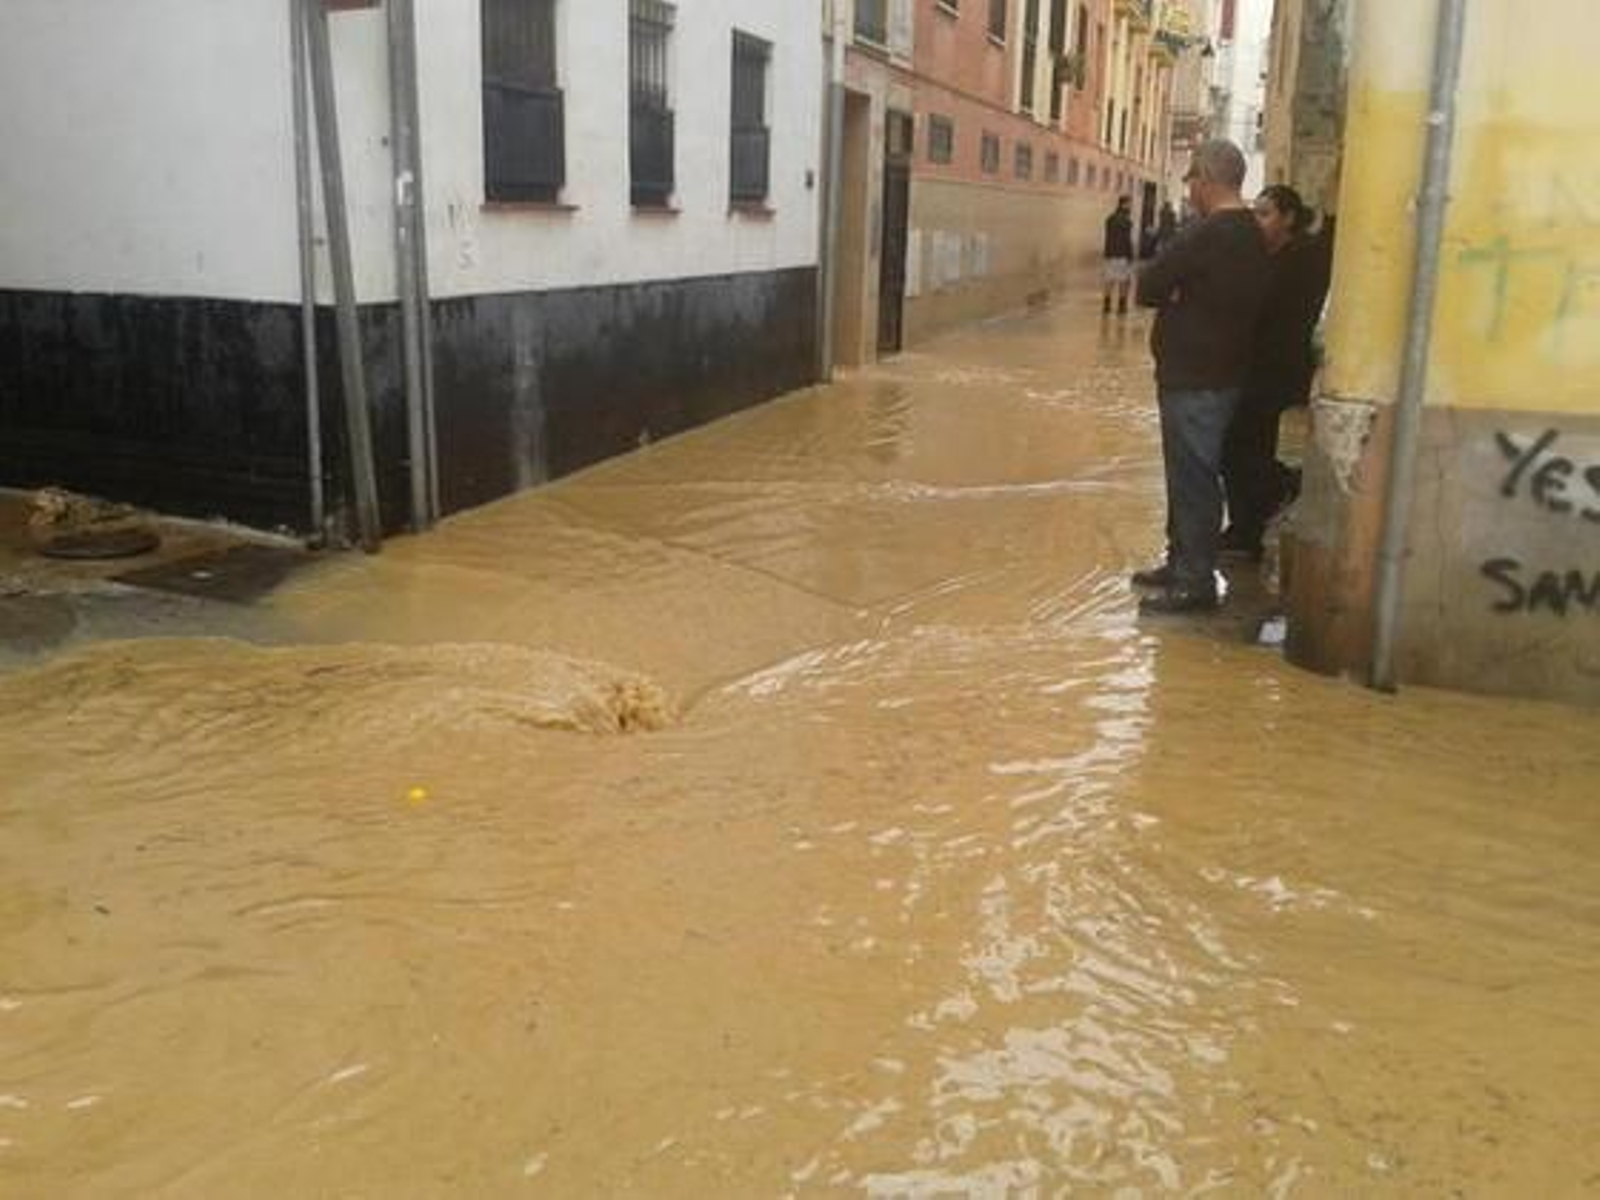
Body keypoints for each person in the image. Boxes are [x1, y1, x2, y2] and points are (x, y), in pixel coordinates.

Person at [1130, 140, 1273, 614]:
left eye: (1192, 178)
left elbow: (1148, 285)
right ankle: (1183, 562)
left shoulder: (1208, 234)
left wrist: (1176, 296)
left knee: (1192, 477)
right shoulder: (1253, 234)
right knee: (1192, 473)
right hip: (1223, 372)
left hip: (1194, 377)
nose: (1188, 188)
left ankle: (1193, 580)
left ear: (1208, 180)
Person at [1220, 185, 1337, 559]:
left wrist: (1334, 196)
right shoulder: (1263, 256)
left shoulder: (1302, 258)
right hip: (1251, 369)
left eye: (1266, 213)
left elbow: (1331, 238)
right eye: (1255, 212)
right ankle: (1246, 529)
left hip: (1275, 371)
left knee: (1240, 448)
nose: (1258, 220)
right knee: (1241, 449)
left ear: (1288, 218)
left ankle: (1280, 490)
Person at [1102, 196, 1135, 316]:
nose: (1131, 206)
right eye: (1130, 204)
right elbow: (1127, 240)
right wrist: (1130, 256)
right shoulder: (1127, 221)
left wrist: (1106, 252)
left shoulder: (1109, 219)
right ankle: (1122, 306)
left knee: (1109, 279)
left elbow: (1108, 237)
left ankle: (1106, 305)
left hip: (1110, 253)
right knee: (1124, 280)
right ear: (1124, 204)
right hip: (1122, 255)